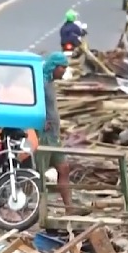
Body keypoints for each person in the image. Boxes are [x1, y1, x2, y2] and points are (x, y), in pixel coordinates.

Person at [38, 52, 89, 216]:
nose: (64, 71)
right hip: (42, 135)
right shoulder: (40, 82)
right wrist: (40, 119)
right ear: (53, 67)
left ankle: (69, 209)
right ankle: (32, 209)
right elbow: (33, 103)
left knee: (64, 168)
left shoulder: (51, 83)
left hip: (54, 135)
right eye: (62, 68)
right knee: (38, 173)